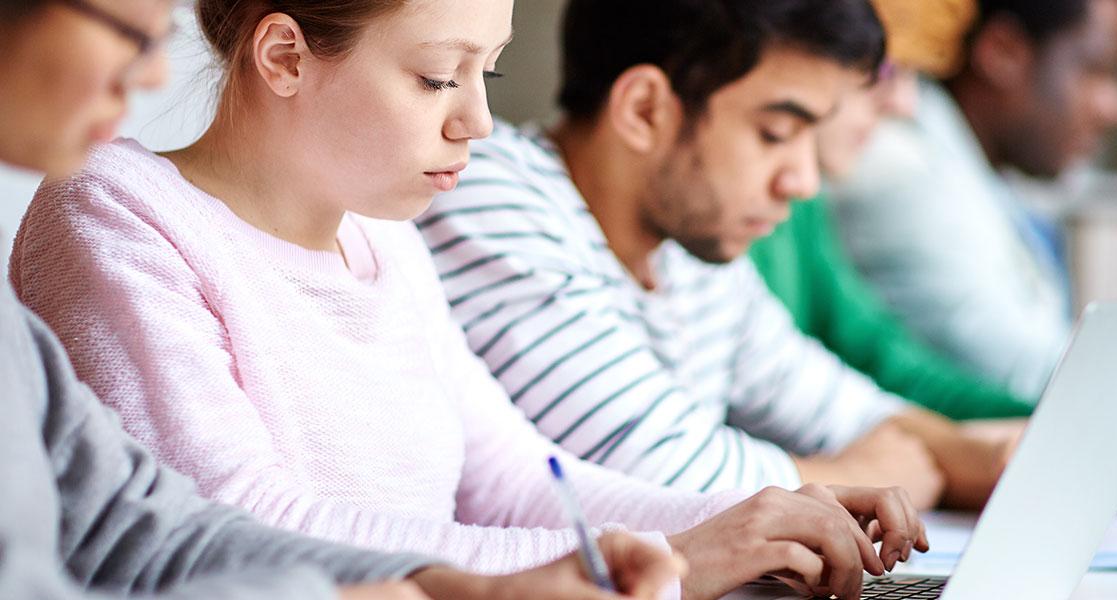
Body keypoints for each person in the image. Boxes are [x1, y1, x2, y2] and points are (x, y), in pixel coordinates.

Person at [9, 1, 925, 598]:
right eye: (438, 77)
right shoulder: (119, 214)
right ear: (284, 55)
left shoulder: (386, 238)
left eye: (484, 74)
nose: (478, 121)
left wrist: (746, 517)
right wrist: (654, 565)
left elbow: (520, 480)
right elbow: (248, 527)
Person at [416, 0, 1053, 512]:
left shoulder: (687, 251)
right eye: (776, 133)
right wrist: (872, 476)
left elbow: (832, 402)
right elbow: (664, 476)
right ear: (645, 110)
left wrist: (973, 456)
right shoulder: (492, 194)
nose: (803, 181)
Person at [827, 0, 1117, 484]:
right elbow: (1012, 364)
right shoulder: (900, 165)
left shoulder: (982, 176)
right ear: (1003, 52)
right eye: (1095, 70)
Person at [748, 0, 1036, 422]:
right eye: (882, 71)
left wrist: (1044, 422)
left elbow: (880, 357)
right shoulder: (737, 214)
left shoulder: (806, 205)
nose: (904, 106)